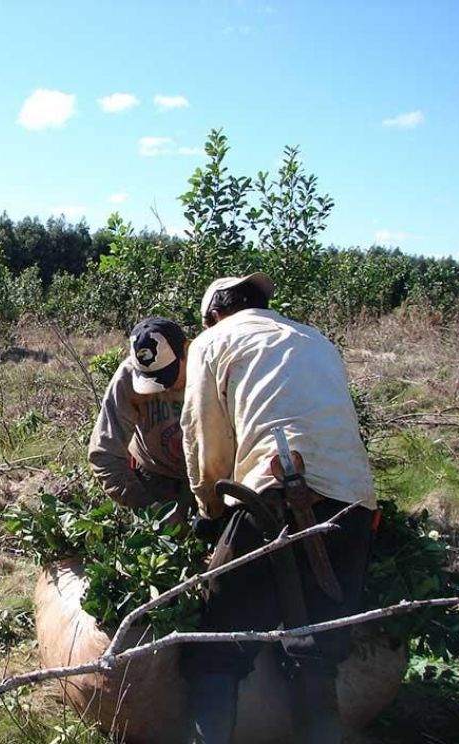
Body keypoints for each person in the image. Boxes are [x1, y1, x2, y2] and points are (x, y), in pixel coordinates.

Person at [180, 273, 377, 744]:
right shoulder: (315, 339)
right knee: (316, 654)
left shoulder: (213, 341)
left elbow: (204, 440)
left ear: (214, 315)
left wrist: (210, 511)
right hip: (353, 504)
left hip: (271, 496)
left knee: (217, 649)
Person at [87, 317, 193, 525]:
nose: (164, 388)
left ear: (187, 351)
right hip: (155, 480)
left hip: (213, 476)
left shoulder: (213, 367)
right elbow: (104, 454)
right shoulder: (127, 378)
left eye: (168, 376)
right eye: (153, 380)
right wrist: (148, 506)